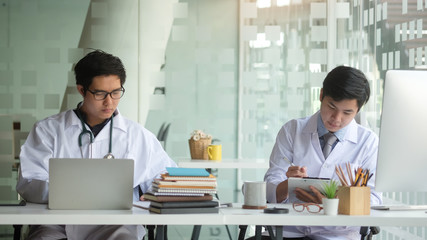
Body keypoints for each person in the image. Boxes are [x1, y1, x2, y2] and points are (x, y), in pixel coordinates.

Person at [16, 50, 177, 240]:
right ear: (82, 90)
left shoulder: (138, 136)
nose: (110, 102)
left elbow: (168, 178)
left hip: (116, 226)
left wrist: (155, 193)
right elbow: (28, 180)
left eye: (116, 92)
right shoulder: (48, 131)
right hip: (56, 224)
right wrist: (64, 194)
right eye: (100, 93)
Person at [263, 66, 382, 240]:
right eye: (331, 107)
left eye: (347, 112)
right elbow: (270, 187)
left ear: (358, 110)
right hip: (288, 232)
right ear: (321, 96)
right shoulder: (292, 130)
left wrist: (332, 204)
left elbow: (374, 199)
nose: (336, 118)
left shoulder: (368, 142)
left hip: (337, 235)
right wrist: (288, 185)